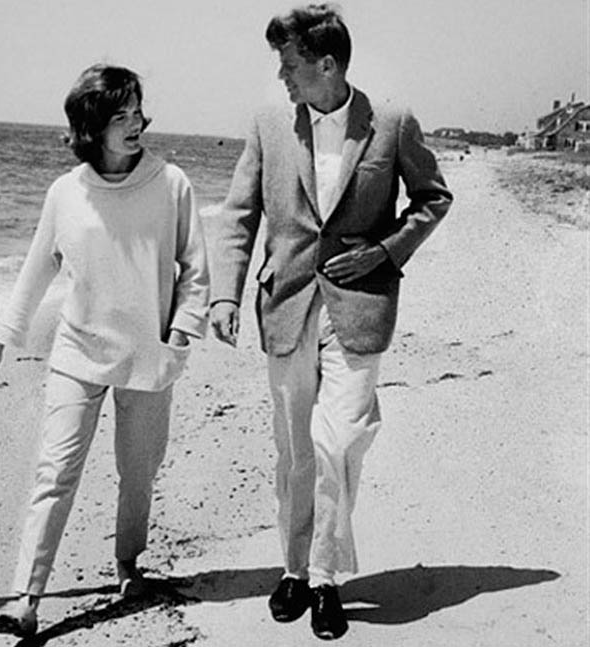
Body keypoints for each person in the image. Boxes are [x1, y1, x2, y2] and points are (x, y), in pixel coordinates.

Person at [204, 4, 452, 641]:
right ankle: (293, 569)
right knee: (293, 450)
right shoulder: (268, 123)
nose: (282, 77)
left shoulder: (391, 123)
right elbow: (239, 215)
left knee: (337, 442)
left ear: (327, 64)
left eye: (290, 65)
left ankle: (326, 578)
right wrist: (225, 295)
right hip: (286, 305)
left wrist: (388, 250)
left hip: (359, 308)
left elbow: (432, 198)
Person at [0, 64, 209, 638]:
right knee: (55, 471)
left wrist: (179, 335)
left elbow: (196, 271)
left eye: (138, 111)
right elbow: (34, 276)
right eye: (120, 115)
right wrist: (0, 345)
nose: (136, 124)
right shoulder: (65, 192)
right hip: (76, 353)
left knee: (138, 472)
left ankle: (129, 565)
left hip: (148, 355)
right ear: (91, 126)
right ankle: (26, 597)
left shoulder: (171, 183)